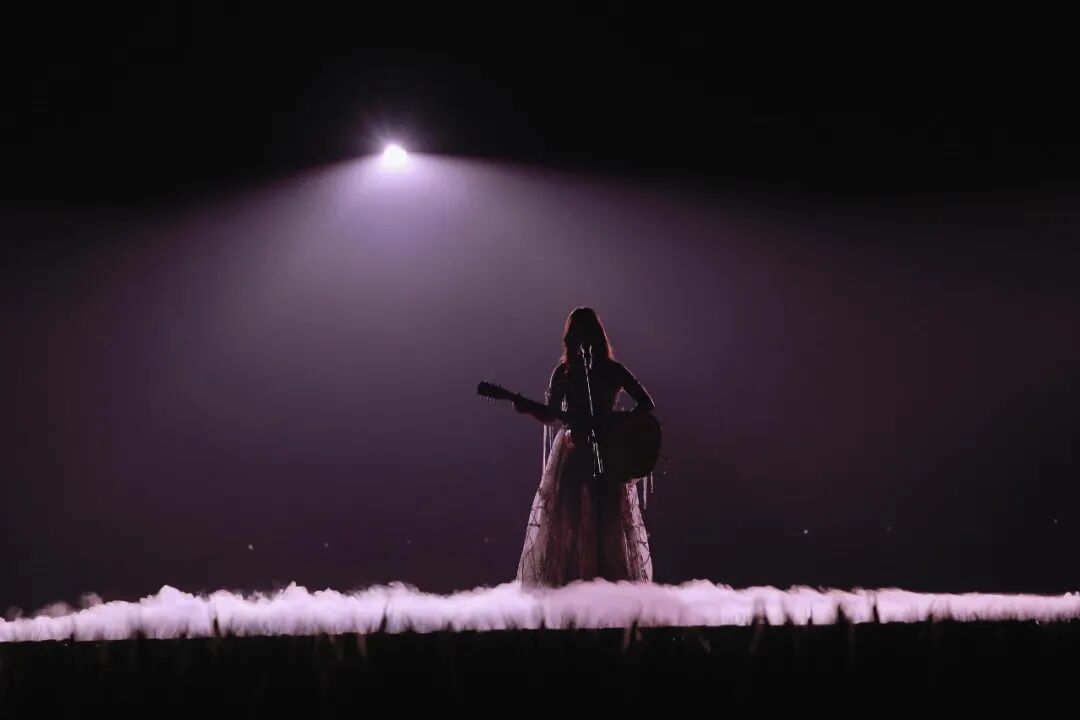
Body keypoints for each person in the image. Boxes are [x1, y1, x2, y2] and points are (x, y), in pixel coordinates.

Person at [513, 307, 655, 586]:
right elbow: (551, 414)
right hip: (577, 453)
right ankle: (577, 585)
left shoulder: (608, 371)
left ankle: (605, 586)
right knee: (575, 520)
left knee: (607, 521)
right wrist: (526, 407)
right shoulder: (567, 373)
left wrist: (616, 422)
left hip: (606, 455)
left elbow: (646, 404)